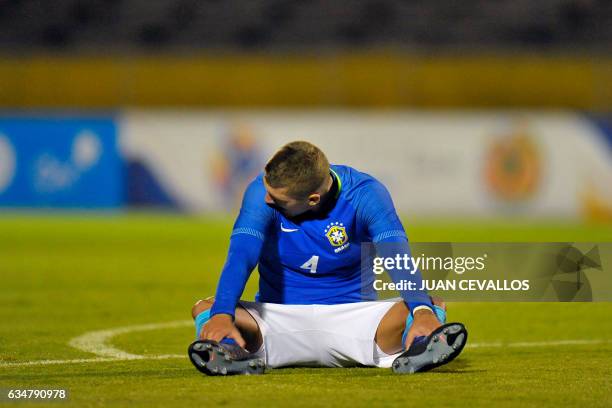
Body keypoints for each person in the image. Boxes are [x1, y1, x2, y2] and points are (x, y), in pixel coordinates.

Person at [188, 141, 467, 375]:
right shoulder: (261, 193)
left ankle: (419, 346)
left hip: (358, 323)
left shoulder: (365, 195)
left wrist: (421, 311)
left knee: (427, 305)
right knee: (208, 308)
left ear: (312, 199)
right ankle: (231, 351)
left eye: (279, 200)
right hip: (276, 321)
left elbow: (396, 254)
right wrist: (223, 314)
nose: (268, 201)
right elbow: (241, 256)